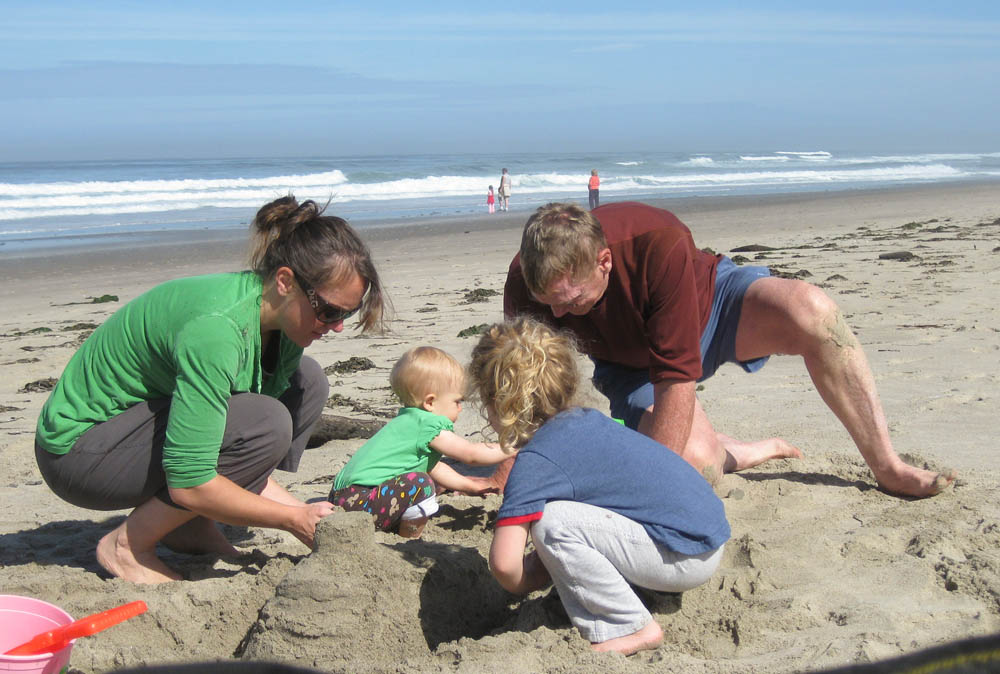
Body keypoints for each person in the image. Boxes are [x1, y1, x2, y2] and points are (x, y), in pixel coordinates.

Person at [34, 195, 387, 584]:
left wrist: (308, 513)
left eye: (347, 314)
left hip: (133, 429)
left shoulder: (282, 327)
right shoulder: (217, 331)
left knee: (309, 382)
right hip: (78, 454)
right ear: (285, 281)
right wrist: (292, 518)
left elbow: (239, 454)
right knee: (266, 422)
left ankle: (187, 525)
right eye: (329, 310)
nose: (336, 326)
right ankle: (127, 546)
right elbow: (192, 479)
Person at [501, 201, 954, 498]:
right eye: (548, 304)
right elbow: (523, 388)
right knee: (699, 463)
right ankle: (737, 450)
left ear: (604, 262)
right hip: (630, 366)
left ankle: (888, 466)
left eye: (570, 300)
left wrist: (649, 492)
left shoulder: (658, 242)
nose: (559, 318)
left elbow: (677, 376)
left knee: (815, 313)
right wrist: (513, 466)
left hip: (712, 309)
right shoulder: (526, 280)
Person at [469, 318, 729, 655]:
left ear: (497, 405)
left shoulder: (535, 462)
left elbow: (505, 566)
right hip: (705, 533)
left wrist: (541, 568)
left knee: (551, 523)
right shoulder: (591, 423)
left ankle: (628, 626)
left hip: (684, 556)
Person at [329, 346, 509, 537]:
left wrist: (470, 486)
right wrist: (513, 447)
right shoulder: (428, 424)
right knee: (421, 484)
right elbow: (471, 455)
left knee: (422, 476)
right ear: (430, 402)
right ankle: (409, 538)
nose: (460, 408)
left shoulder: (407, 423)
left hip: (342, 497)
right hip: (359, 500)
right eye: (457, 401)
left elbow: (434, 467)